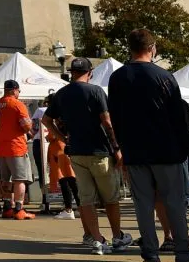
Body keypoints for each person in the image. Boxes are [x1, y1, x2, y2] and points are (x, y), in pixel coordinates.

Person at [108, 29, 189, 262]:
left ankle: (150, 251)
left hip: (135, 150)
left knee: (143, 204)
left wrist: (121, 148)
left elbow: (114, 117)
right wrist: (186, 148)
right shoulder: (163, 76)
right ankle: (183, 252)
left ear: (130, 47)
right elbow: (179, 116)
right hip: (166, 150)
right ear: (152, 48)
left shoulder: (117, 78)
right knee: (174, 203)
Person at [42, 57, 132, 255]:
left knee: (86, 200)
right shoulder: (95, 91)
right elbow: (107, 122)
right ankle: (117, 236)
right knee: (110, 199)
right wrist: (117, 148)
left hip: (76, 152)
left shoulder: (61, 94)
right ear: (90, 73)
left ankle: (97, 239)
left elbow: (46, 120)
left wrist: (63, 138)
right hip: (99, 150)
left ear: (72, 72)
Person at [0, 79, 35, 220]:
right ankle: (19, 209)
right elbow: (26, 126)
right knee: (20, 179)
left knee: (5, 179)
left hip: (0, 148)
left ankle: (7, 207)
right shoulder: (18, 105)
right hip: (16, 148)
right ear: (14, 90)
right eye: (18, 91)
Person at [30, 95, 50, 213]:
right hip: (56, 141)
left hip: (40, 141)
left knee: (42, 170)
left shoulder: (40, 110)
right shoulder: (61, 109)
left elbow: (35, 128)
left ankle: (45, 200)